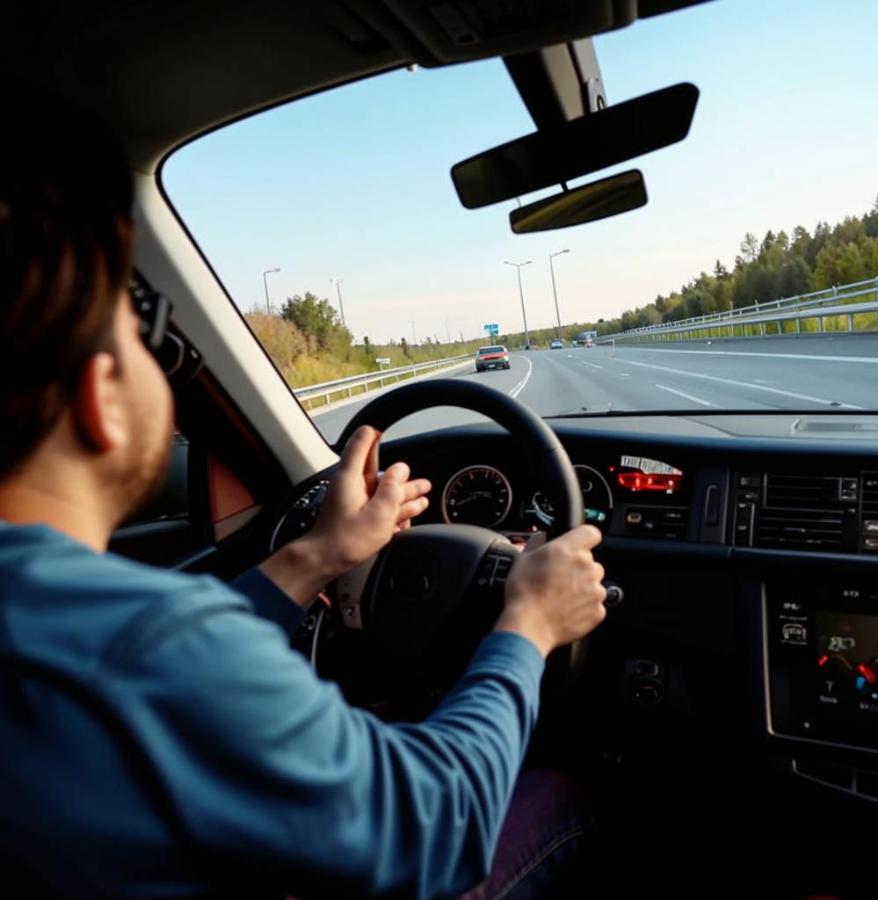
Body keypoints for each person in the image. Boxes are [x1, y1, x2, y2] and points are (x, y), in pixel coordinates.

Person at [0, 91, 607, 898]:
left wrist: (320, 555)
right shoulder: (148, 654)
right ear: (99, 392)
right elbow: (444, 824)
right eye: (141, 328)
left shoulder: (88, 643)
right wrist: (529, 622)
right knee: (563, 797)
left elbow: (174, 680)